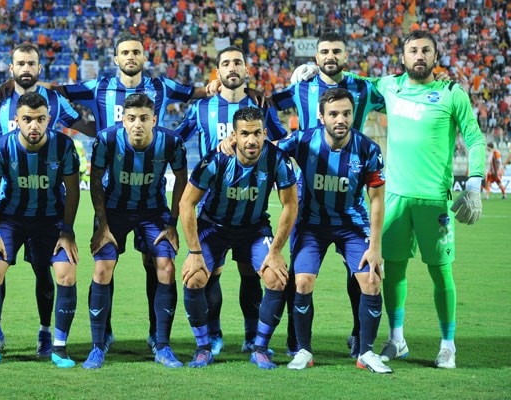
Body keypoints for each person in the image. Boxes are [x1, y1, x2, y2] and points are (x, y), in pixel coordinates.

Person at [33, 31, 208, 353]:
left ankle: (158, 336)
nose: (130, 57)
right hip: (112, 197)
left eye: (136, 52)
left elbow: (199, 92)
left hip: (152, 198)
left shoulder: (161, 87)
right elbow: (59, 89)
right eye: (125, 52)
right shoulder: (99, 87)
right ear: (116, 58)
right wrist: (27, 83)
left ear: (144, 57)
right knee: (105, 264)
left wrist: (222, 85)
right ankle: (104, 334)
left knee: (158, 264)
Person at [365, 30, 485, 369]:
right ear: (402, 57)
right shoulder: (390, 86)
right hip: (395, 197)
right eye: (413, 50)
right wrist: (315, 72)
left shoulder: (451, 93)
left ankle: (448, 345)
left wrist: (474, 184)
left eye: (426, 50)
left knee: (441, 272)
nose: (419, 55)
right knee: (393, 270)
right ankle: (396, 339)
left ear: (435, 56)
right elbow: (354, 83)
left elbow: (475, 138)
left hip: (434, 201)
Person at [273, 31, 386, 358]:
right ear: (316, 56)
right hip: (308, 190)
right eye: (324, 51)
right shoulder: (301, 86)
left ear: (346, 56)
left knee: (360, 273)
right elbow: (269, 104)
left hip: (351, 183)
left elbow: (396, 93)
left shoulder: (363, 88)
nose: (330, 56)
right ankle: (296, 342)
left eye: (337, 51)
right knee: (300, 273)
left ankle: (359, 336)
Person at [173, 45, 286, 356]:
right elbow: (174, 140)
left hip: (252, 207)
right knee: (210, 275)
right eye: (226, 63)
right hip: (211, 210)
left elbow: (281, 142)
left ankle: (252, 336)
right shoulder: (201, 108)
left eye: (238, 62)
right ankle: (213, 335)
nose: (232, 67)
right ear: (218, 72)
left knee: (251, 274)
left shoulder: (260, 106)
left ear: (247, 70)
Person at [0, 42, 94, 356]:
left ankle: (48, 334)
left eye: (31, 63)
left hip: (48, 208)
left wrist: (117, 131)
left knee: (45, 271)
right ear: (11, 68)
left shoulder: (54, 100)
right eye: (20, 63)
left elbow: (80, 125)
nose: (26, 69)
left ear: (39, 68)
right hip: (6, 207)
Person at [179, 107, 297, 369]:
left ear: (265, 133)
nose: (251, 140)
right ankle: (203, 347)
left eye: (256, 133)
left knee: (277, 278)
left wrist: (276, 251)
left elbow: (290, 205)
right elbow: (186, 203)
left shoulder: (277, 159)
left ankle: (259, 347)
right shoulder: (216, 160)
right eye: (244, 134)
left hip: (254, 229)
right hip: (214, 227)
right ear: (234, 135)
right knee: (194, 277)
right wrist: (195, 253)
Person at [0, 93, 81, 369]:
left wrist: (67, 231)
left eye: (40, 119)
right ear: (17, 120)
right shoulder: (2, 148)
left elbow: (72, 191)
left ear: (49, 119)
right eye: (27, 119)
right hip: (11, 219)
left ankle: (57, 345)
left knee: (66, 275)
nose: (34, 125)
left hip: (51, 220)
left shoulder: (64, 146)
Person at [83, 93, 188, 369]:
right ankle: (99, 344)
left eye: (144, 118)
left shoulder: (171, 141)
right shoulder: (106, 140)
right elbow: (95, 180)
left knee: (166, 267)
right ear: (123, 120)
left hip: (153, 211)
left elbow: (182, 179)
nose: (137, 124)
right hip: (114, 211)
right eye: (131, 118)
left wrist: (172, 223)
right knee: (102, 268)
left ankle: (161, 344)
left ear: (154, 120)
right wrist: (102, 224)